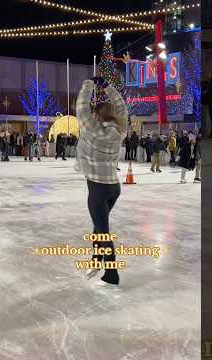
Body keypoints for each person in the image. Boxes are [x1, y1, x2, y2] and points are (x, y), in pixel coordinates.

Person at [75, 76, 127, 288]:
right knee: (99, 227)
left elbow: (80, 106)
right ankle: (96, 260)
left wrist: (88, 84)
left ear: (96, 115)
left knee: (102, 230)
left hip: (97, 188)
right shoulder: (120, 129)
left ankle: (112, 272)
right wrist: (107, 87)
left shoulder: (91, 129)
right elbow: (122, 106)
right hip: (113, 187)